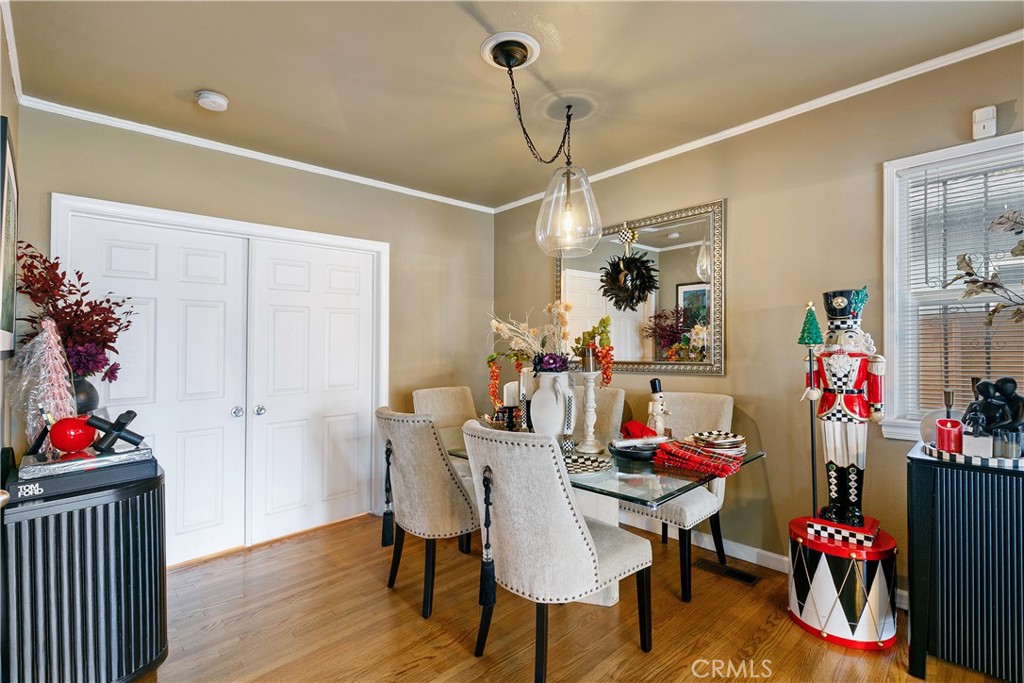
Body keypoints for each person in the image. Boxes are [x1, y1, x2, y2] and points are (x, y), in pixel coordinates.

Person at [802, 287, 885, 527]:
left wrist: (876, 407)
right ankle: (835, 503)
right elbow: (812, 379)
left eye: (847, 335)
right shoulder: (818, 357)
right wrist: (811, 388)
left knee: (854, 457)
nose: (838, 342)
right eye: (833, 336)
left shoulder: (866, 359)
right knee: (832, 455)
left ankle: (854, 507)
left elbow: (875, 382)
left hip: (855, 408)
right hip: (828, 407)